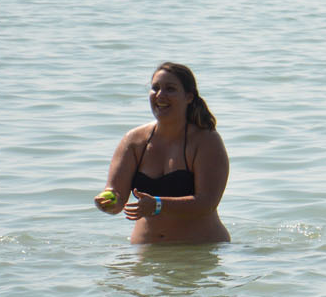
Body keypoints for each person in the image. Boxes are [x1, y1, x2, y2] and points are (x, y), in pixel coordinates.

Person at [94, 62, 230, 244]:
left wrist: (158, 205)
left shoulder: (206, 141)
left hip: (199, 252)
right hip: (147, 254)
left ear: (189, 97)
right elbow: (116, 196)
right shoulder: (134, 141)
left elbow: (206, 203)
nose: (160, 95)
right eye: (155, 88)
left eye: (170, 89)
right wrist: (108, 202)